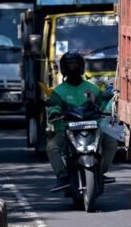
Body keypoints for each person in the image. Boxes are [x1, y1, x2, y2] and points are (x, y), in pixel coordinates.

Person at [46, 50, 118, 191]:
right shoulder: (58, 91)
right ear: (64, 68)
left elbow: (102, 103)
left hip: (92, 128)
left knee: (111, 143)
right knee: (51, 147)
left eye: (75, 65)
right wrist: (54, 113)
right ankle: (62, 177)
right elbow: (53, 106)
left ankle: (100, 172)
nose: (72, 68)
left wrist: (107, 106)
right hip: (67, 130)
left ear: (81, 66)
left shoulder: (91, 88)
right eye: (69, 65)